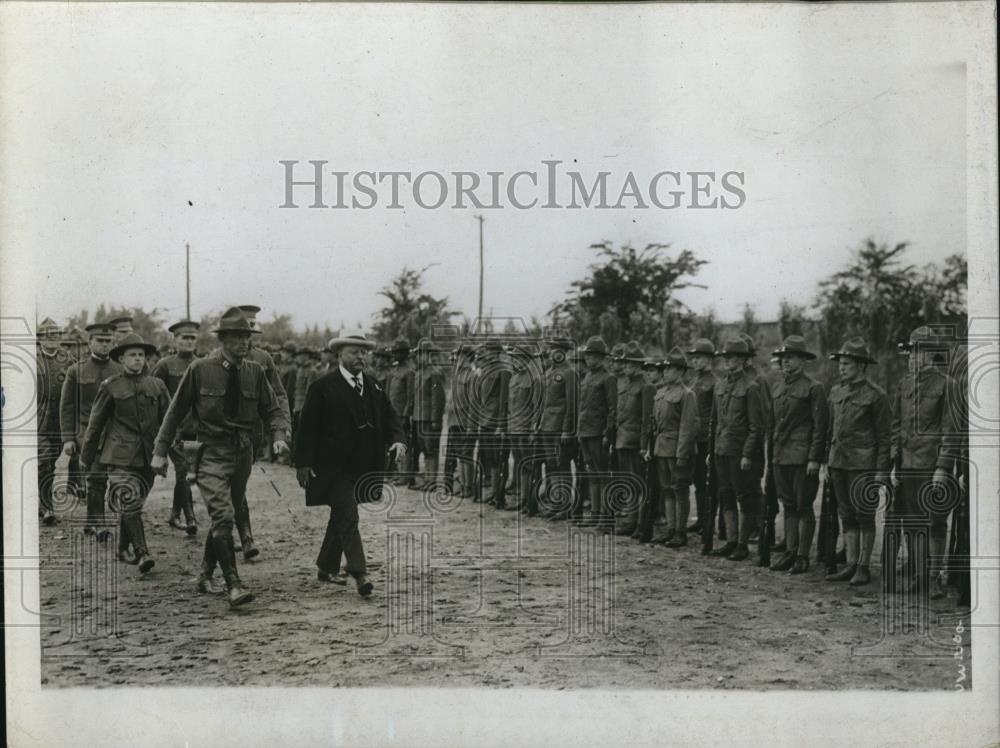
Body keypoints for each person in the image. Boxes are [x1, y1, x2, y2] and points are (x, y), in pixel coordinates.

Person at [151, 309, 289, 608]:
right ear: (223, 339)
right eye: (238, 337)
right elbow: (175, 412)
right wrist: (160, 451)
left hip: (243, 455)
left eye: (247, 337)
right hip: (210, 452)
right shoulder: (201, 369)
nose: (244, 342)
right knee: (224, 515)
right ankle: (234, 584)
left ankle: (204, 574)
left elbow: (273, 408)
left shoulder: (255, 371)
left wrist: (279, 437)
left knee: (226, 514)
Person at [294, 333, 406, 598]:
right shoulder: (322, 387)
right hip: (332, 468)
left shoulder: (374, 386)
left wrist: (398, 441)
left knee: (342, 514)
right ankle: (359, 573)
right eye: (355, 352)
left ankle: (326, 566)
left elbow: (391, 418)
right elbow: (306, 428)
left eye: (364, 353)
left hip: (363, 465)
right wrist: (302, 463)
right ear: (340, 354)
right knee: (348, 514)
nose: (361, 357)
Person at [80, 333, 171, 572]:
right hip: (119, 454)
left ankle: (122, 548)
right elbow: (95, 423)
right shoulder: (110, 386)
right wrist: (86, 457)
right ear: (121, 359)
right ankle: (143, 553)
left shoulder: (157, 385)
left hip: (148, 455)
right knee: (130, 501)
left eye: (141, 355)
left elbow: (169, 422)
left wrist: (173, 454)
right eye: (133, 355)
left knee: (135, 504)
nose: (138, 359)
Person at [887, 326, 960, 599]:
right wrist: (895, 462)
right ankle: (918, 573)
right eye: (910, 352)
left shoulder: (947, 385)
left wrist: (942, 467)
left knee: (935, 521)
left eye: (917, 351)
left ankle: (933, 577)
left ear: (930, 354)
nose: (912, 357)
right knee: (912, 520)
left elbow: (951, 430)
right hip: (906, 463)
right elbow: (896, 426)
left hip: (932, 465)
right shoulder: (904, 384)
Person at [824, 337, 891, 587]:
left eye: (848, 364)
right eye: (841, 363)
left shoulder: (876, 396)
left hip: (864, 465)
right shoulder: (836, 391)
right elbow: (831, 430)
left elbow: (885, 437)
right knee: (846, 515)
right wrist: (826, 462)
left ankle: (863, 567)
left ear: (862, 366)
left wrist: (882, 470)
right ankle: (851, 563)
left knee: (864, 516)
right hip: (838, 462)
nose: (842, 368)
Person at [768, 336, 828, 574]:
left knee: (804, 506)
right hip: (781, 455)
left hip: (803, 457)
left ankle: (803, 556)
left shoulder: (814, 388)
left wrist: (815, 458)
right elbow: (773, 425)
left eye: (790, 358)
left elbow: (820, 426)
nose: (785, 363)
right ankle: (790, 552)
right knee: (789, 505)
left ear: (803, 361)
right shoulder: (778, 387)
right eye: (782, 359)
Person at [59, 321, 122, 538]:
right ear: (90, 342)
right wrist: (68, 438)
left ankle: (91, 521)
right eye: (100, 341)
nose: (105, 345)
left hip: (114, 434)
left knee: (110, 479)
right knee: (96, 478)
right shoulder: (76, 371)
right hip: (87, 434)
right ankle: (99, 524)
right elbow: (67, 407)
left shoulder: (120, 370)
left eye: (108, 341)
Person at [709, 338, 765, 561]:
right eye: (725, 357)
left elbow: (756, 426)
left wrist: (747, 454)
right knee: (726, 495)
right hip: (721, 450)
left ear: (742, 360)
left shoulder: (751, 388)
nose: (727, 361)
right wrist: (712, 450)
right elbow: (714, 422)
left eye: (731, 357)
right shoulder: (720, 385)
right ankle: (731, 540)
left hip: (739, 452)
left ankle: (742, 544)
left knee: (744, 496)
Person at [151, 320, 201, 534]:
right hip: (173, 429)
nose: (189, 342)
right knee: (183, 470)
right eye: (184, 337)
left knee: (189, 472)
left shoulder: (202, 364)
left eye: (192, 338)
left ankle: (174, 514)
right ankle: (190, 518)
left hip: (196, 429)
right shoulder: (165, 365)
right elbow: (152, 393)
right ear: (175, 340)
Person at [646, 348, 699, 547]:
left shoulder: (687, 394)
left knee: (679, 490)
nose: (665, 372)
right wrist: (651, 449)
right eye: (665, 369)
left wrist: (682, 454)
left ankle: (680, 532)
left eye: (670, 369)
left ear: (681, 372)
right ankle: (670, 529)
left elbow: (687, 426)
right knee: (666, 490)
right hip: (661, 448)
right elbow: (654, 425)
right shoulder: (660, 393)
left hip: (677, 449)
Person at [577, 336, 617, 530]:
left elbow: (612, 409)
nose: (588, 359)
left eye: (592, 356)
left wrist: (607, 435)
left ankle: (606, 516)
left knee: (603, 476)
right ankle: (594, 512)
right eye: (587, 355)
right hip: (585, 431)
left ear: (601, 358)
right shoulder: (587, 377)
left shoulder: (608, 378)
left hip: (598, 433)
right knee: (591, 473)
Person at [36, 317, 73, 525]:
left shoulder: (68, 360)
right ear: (40, 339)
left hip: (61, 421)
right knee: (44, 462)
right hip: (38, 421)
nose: (52, 340)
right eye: (47, 336)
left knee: (55, 463)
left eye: (56, 335)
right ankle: (47, 506)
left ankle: (44, 502)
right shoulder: (32, 359)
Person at [505, 343, 544, 512]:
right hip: (514, 426)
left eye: (519, 358)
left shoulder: (534, 378)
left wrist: (534, 428)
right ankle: (522, 498)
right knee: (519, 463)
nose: (516, 361)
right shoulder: (514, 377)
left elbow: (538, 406)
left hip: (526, 428)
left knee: (529, 465)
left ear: (527, 360)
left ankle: (530, 501)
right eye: (514, 358)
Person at [614, 341, 646, 536]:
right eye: (624, 364)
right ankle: (629, 519)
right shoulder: (625, 384)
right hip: (622, 438)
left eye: (628, 364)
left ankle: (637, 521)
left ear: (637, 365)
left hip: (635, 441)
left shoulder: (645, 387)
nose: (624, 367)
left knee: (637, 481)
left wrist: (643, 445)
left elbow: (645, 419)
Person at [685, 338, 717, 537]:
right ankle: (702, 520)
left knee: (708, 482)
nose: (695, 362)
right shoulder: (693, 381)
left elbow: (716, 414)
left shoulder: (714, 382)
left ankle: (709, 521)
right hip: (693, 438)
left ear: (709, 359)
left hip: (706, 438)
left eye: (699, 358)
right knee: (697, 480)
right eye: (693, 358)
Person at [411, 339, 446, 490]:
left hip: (429, 419)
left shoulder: (435, 373)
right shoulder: (419, 373)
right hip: (419, 417)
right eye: (418, 355)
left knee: (432, 449)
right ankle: (427, 480)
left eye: (422, 354)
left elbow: (438, 398)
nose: (419, 357)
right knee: (425, 449)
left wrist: (435, 419)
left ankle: (432, 481)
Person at [387, 337, 416, 487]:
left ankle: (405, 474)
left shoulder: (409, 371)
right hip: (392, 413)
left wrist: (406, 415)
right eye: (394, 352)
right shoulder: (395, 370)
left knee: (404, 445)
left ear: (405, 354)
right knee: (394, 443)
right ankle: (398, 473)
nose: (395, 355)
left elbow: (411, 396)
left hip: (401, 415)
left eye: (399, 352)